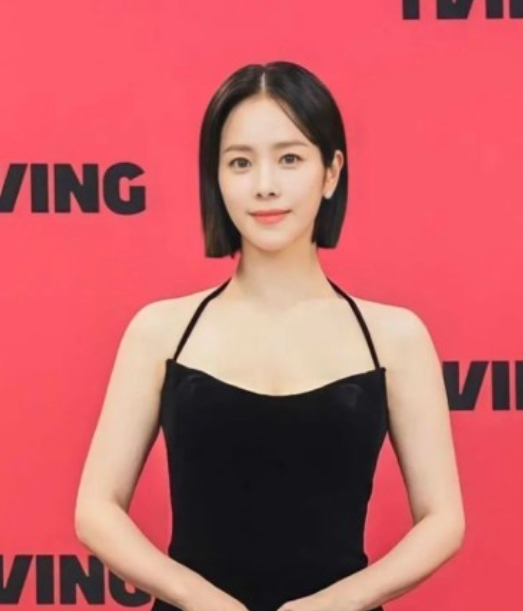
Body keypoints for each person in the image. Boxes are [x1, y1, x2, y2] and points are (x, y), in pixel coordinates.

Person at [74, 61, 465, 611]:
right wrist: (200, 599)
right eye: (240, 162)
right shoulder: (161, 332)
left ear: (330, 172)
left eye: (289, 158)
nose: (265, 185)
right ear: (216, 177)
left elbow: (443, 519)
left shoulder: (394, 338)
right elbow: (96, 509)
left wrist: (338, 602)